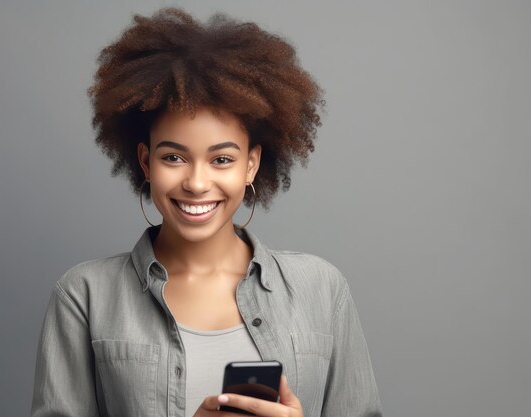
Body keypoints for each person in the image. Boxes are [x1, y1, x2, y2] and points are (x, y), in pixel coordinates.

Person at [30, 7, 382, 417]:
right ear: (145, 162)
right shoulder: (85, 296)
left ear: (251, 165)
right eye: (174, 157)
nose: (196, 183)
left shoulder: (322, 291)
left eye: (221, 160)